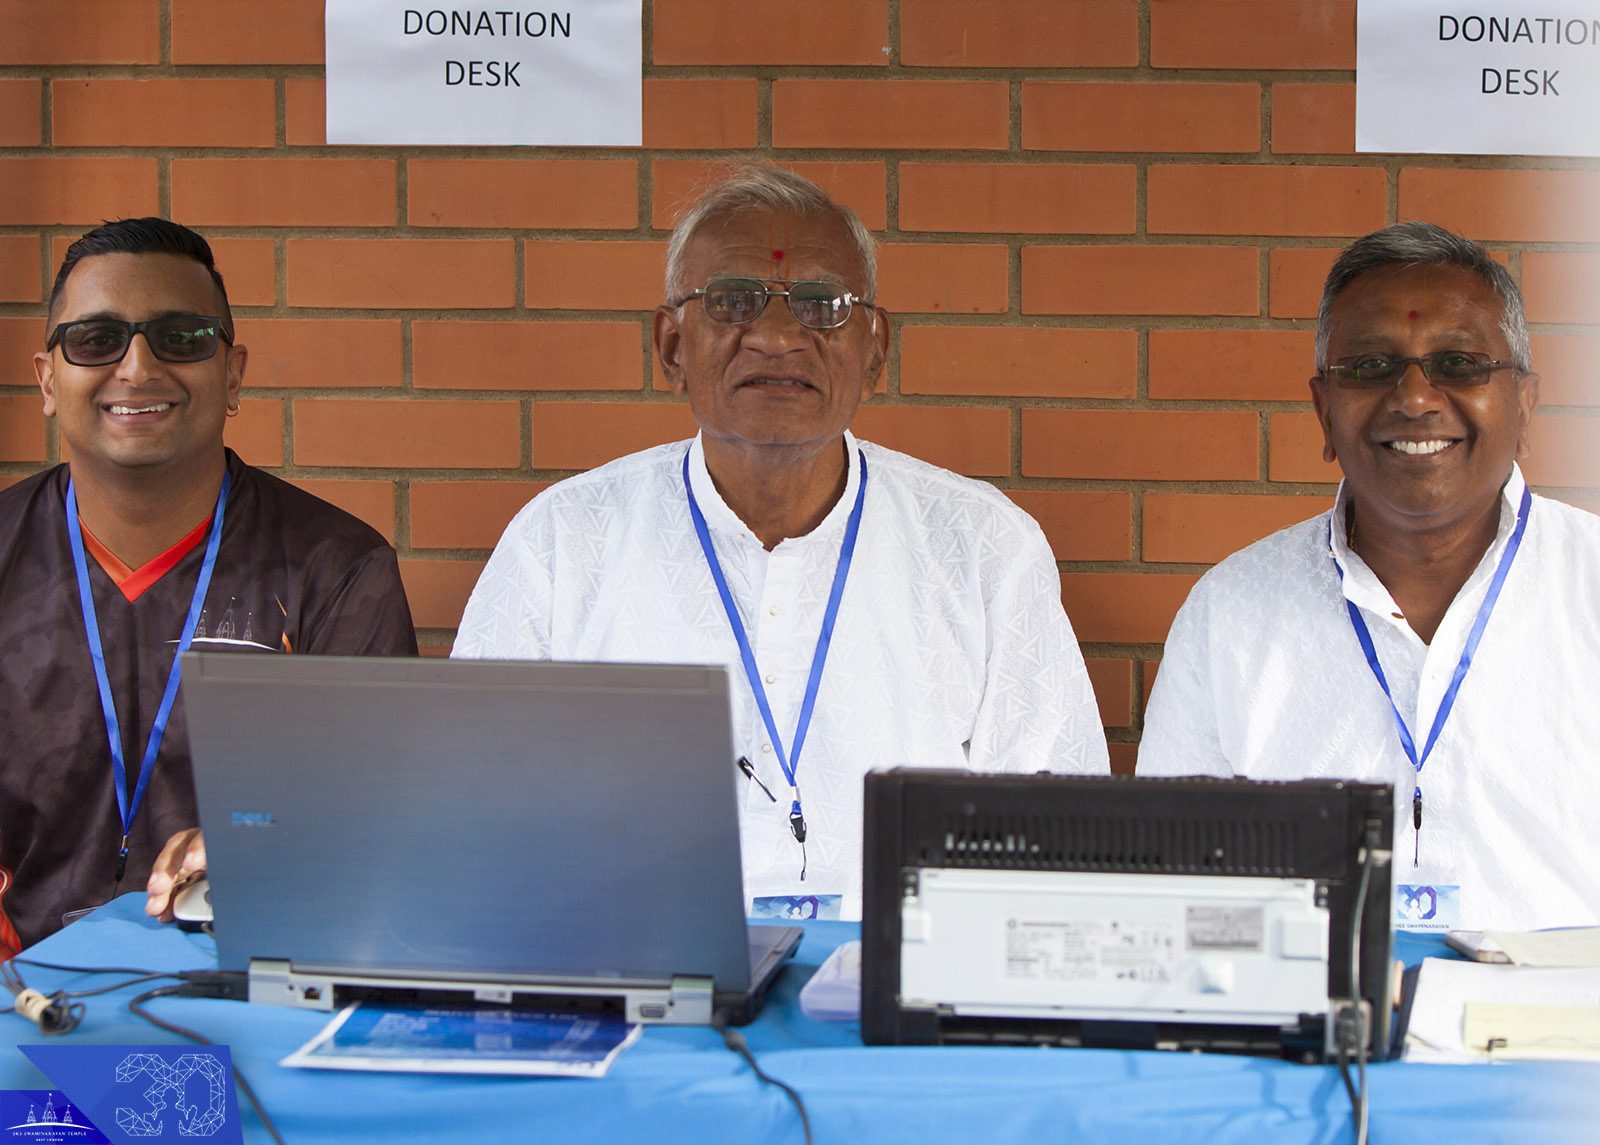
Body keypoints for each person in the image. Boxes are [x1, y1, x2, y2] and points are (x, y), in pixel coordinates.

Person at [454, 165, 1108, 920]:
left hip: (899, 996)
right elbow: (476, 821)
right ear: (671, 347)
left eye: (821, 305)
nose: (773, 335)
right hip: (638, 982)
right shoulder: (563, 544)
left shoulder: (984, 547)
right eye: (732, 301)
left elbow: (1058, 836)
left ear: (875, 348)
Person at [1138, 220, 1600, 932]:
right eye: (1370, 367)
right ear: (1325, 410)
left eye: (1459, 362)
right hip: (1307, 1033)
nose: (1414, 398)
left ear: (1527, 404)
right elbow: (1167, 884)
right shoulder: (1229, 613)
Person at [0, 218, 417, 949]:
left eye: (181, 338)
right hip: (21, 996)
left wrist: (263, 842)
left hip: (251, 984)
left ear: (232, 374)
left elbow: (383, 818)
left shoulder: (337, 567)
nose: (136, 368)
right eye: (96, 340)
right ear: (47, 378)